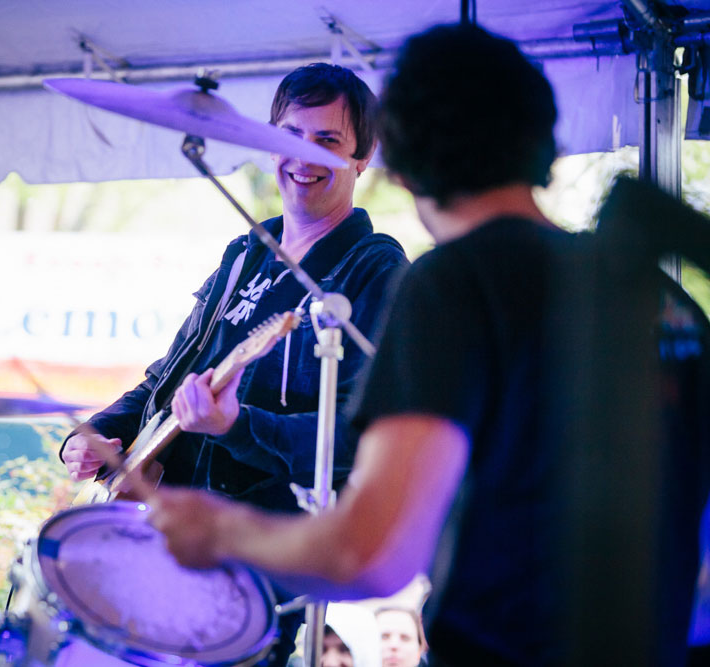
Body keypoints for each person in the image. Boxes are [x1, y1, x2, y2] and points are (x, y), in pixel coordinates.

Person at [148, 23, 708, 666]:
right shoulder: (664, 300)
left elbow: (370, 556)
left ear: (398, 158)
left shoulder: (452, 283)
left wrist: (219, 529)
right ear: (543, 142)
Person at [60, 62, 408, 665]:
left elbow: (358, 440)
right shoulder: (246, 251)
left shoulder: (374, 268)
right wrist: (101, 434)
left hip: (260, 561)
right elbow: (167, 381)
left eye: (328, 141)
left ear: (363, 157)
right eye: (289, 136)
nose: (303, 156)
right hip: (161, 529)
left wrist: (238, 427)